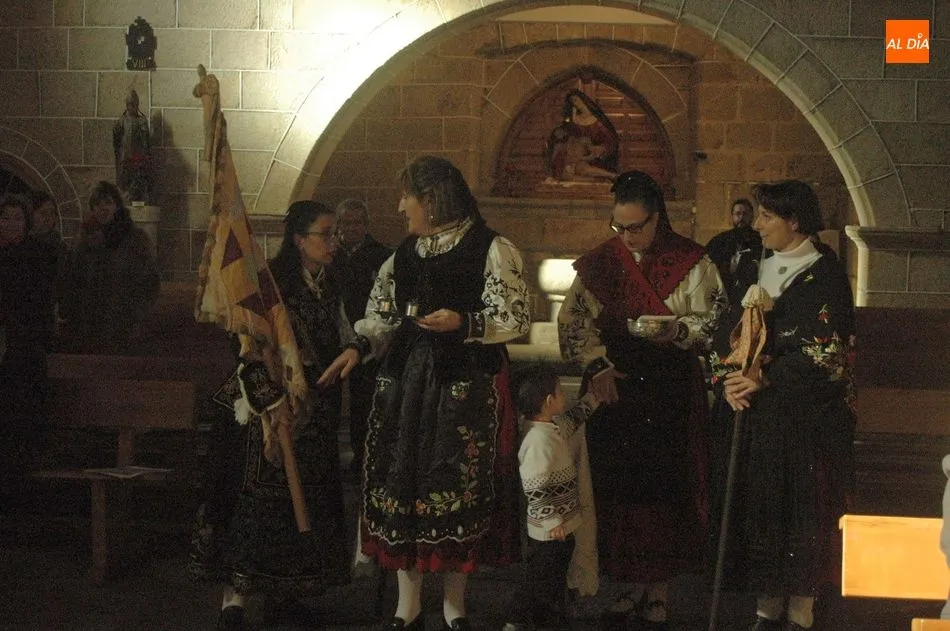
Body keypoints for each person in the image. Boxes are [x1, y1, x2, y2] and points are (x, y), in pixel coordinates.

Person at [321, 155, 530, 631]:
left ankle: (455, 605)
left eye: (406, 197)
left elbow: (514, 316)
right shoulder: (404, 254)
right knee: (405, 485)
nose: (400, 207)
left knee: (455, 485)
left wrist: (464, 322)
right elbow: (383, 314)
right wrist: (359, 346)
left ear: (432, 200)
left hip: (466, 382)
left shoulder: (491, 247)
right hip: (408, 382)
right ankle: (408, 603)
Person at [557, 170, 725, 630]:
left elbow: (715, 320)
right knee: (617, 489)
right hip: (616, 385)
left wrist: (679, 330)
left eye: (635, 227)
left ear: (657, 219)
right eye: (619, 226)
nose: (627, 236)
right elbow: (573, 322)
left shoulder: (691, 261)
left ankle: (658, 592)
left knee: (663, 490)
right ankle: (625, 585)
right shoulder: (602, 262)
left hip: (670, 389)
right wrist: (596, 365)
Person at [190, 201, 353, 631]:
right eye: (325, 234)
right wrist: (273, 400)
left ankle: (287, 595)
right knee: (256, 508)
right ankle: (234, 602)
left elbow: (341, 337)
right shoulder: (270, 286)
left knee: (300, 510)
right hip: (262, 415)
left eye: (335, 233)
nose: (333, 242)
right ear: (298, 239)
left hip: (312, 414)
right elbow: (246, 347)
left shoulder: (331, 285)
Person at [709, 180, 856, 631]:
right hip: (753, 417)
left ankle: (800, 613)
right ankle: (766, 609)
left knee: (798, 513)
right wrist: (728, 381)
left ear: (794, 221)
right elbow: (723, 328)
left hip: (802, 421)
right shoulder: (752, 266)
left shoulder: (825, 274)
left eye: (767, 216)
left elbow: (827, 352)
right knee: (759, 511)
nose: (756, 225)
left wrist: (764, 377)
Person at [501, 363, 606, 631]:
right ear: (548, 401)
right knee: (540, 576)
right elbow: (535, 486)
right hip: (549, 530)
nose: (564, 396)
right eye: (560, 392)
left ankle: (545, 616)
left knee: (553, 574)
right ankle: (517, 618)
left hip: (562, 524)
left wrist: (593, 399)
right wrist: (551, 520)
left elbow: (572, 420)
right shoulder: (537, 440)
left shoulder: (551, 427)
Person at [0, 194, 58, 509]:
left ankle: (19, 496)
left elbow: (39, 306)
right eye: (5, 217)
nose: (11, 224)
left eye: (17, 218)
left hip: (23, 354)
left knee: (18, 424)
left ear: (26, 223)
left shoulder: (35, 256)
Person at [330, 198, 392, 475]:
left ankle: (364, 457)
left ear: (366, 225)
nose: (351, 228)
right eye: (345, 223)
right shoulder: (330, 256)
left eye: (356, 223)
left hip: (368, 340)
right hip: (334, 337)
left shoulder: (381, 256)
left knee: (364, 402)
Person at [60, 181, 160, 353]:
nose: (103, 208)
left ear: (117, 206)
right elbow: (73, 280)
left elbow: (148, 282)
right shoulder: (84, 240)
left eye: (107, 202)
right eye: (97, 204)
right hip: (88, 329)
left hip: (122, 326)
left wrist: (134, 315)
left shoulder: (134, 240)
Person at [546, 89, 619, 182]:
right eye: (572, 101)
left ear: (583, 100)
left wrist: (602, 148)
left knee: (583, 168)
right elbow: (564, 135)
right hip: (576, 155)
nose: (575, 103)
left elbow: (611, 139)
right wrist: (572, 120)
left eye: (576, 100)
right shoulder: (573, 119)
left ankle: (608, 177)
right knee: (568, 171)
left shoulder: (598, 121)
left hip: (595, 156)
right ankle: (597, 180)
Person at [706, 198, 763, 304]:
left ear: (751, 216)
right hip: (723, 296)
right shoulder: (719, 241)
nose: (741, 218)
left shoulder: (760, 241)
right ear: (732, 216)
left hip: (749, 297)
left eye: (745, 214)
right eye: (738, 214)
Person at [112, 88, 151, 203]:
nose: (131, 107)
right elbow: (117, 135)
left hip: (136, 155)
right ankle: (125, 197)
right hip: (125, 155)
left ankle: (135, 197)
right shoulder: (123, 119)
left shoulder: (141, 120)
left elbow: (145, 141)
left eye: (133, 105)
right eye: (129, 104)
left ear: (137, 105)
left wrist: (144, 155)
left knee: (137, 178)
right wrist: (116, 129)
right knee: (124, 178)